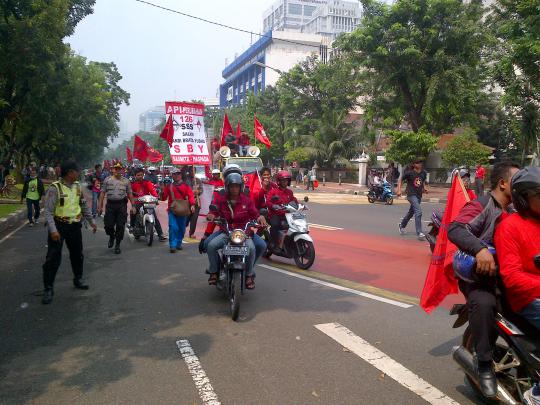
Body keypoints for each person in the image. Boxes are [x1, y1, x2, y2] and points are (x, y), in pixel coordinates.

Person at [447, 161, 520, 398]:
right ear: (502, 183)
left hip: (508, 275)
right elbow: (455, 228)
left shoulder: (514, 211)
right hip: (479, 278)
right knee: (485, 304)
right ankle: (485, 366)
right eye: (516, 181)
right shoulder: (482, 205)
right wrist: (480, 249)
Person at [495, 167, 540, 404]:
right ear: (523, 198)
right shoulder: (510, 227)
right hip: (526, 298)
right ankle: (536, 395)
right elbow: (512, 277)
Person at [41, 161, 97, 305]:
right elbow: (48, 211)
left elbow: (83, 205)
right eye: (77, 171)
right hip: (59, 226)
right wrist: (53, 230)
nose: (79, 173)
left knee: (77, 255)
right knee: (53, 258)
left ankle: (78, 278)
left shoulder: (77, 187)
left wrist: (91, 221)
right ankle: (48, 288)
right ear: (70, 172)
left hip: (75, 226)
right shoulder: (55, 188)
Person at [205, 172, 267, 289]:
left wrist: (260, 217)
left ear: (241, 187)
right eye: (232, 186)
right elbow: (214, 211)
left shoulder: (247, 200)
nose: (234, 189)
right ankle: (214, 271)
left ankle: (249, 274)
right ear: (227, 187)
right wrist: (211, 215)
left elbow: (255, 213)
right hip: (227, 232)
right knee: (211, 245)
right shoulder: (221, 200)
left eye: (237, 186)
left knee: (253, 248)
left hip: (244, 233)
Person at [98, 162, 136, 254]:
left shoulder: (126, 181)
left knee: (120, 226)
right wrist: (100, 207)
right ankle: (111, 236)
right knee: (108, 225)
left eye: (119, 169)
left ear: (122, 170)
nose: (117, 171)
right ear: (113, 169)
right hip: (110, 205)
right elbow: (102, 193)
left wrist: (133, 206)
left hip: (121, 205)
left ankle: (117, 245)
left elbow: (130, 194)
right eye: (116, 169)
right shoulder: (107, 180)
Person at [161, 167, 195, 253]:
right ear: (172, 176)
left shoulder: (186, 186)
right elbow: (163, 197)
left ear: (181, 175)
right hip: (172, 210)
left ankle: (179, 243)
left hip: (183, 210)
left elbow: (191, 196)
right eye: (174, 174)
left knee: (182, 228)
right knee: (173, 227)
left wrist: (192, 205)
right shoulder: (169, 187)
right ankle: (172, 245)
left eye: (178, 174)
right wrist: (162, 190)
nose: (176, 176)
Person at [130, 167, 166, 242]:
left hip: (146, 202)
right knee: (132, 212)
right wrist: (133, 198)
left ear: (143, 175)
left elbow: (153, 191)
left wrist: (155, 198)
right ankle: (132, 226)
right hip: (137, 203)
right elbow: (130, 194)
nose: (139, 176)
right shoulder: (132, 184)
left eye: (141, 175)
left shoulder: (147, 182)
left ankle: (160, 234)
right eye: (138, 175)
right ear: (135, 176)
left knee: (154, 216)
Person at [267, 170, 298, 252]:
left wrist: (300, 205)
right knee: (275, 224)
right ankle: (273, 243)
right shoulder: (274, 191)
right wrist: (273, 205)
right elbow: (268, 201)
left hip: (287, 215)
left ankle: (290, 242)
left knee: (296, 224)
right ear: (279, 181)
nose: (285, 182)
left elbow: (294, 200)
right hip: (276, 214)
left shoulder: (289, 192)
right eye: (283, 180)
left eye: (286, 180)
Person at [397, 160, 429, 240]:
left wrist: (424, 188)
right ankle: (419, 232)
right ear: (414, 164)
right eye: (418, 163)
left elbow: (423, 181)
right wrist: (399, 190)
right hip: (411, 195)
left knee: (411, 213)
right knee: (418, 211)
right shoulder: (409, 173)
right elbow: (400, 180)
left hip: (418, 195)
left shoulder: (423, 173)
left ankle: (402, 225)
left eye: (421, 163)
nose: (420, 164)